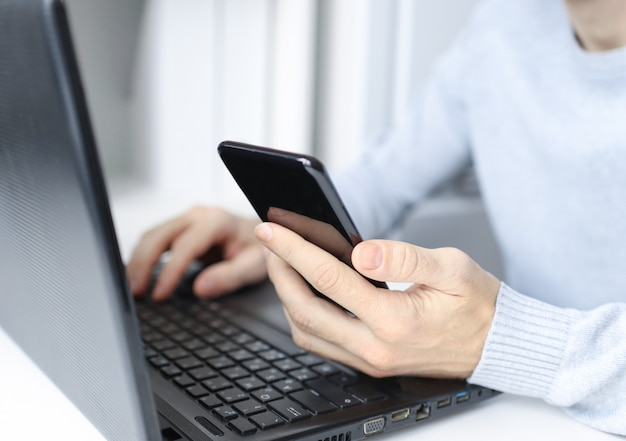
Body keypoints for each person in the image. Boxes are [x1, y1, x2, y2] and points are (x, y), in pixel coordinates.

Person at [126, 0, 626, 435]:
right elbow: (387, 178)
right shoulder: (502, 27)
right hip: (531, 410)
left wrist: (505, 342)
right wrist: (280, 229)